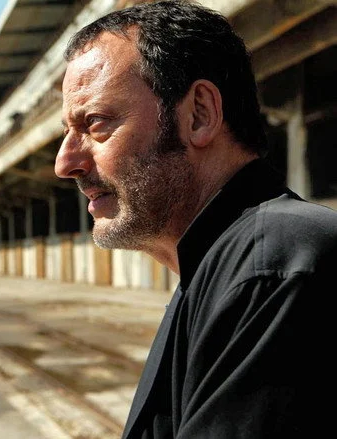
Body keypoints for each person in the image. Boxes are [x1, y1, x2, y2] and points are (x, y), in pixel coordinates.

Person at [54, 1, 337, 437]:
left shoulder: (275, 267)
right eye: (66, 132)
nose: (65, 163)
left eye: (95, 123)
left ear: (200, 114)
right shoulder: (220, 267)